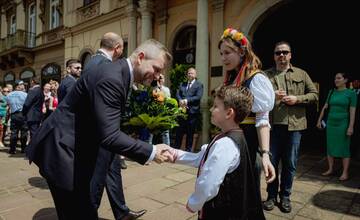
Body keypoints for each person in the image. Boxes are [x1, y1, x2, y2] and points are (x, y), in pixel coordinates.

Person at [26, 39, 173, 220]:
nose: (158, 76)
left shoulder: (119, 73)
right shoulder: (112, 77)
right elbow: (110, 135)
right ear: (141, 58)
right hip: (61, 150)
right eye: (157, 69)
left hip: (75, 150)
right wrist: (151, 150)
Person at [168, 85, 264, 219]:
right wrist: (174, 154)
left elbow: (208, 184)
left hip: (221, 212)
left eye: (215, 106)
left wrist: (194, 203)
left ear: (229, 113)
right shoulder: (231, 136)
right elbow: (202, 158)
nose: (211, 109)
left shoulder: (225, 144)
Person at [85, 33, 145, 220]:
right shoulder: (102, 65)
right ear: (118, 48)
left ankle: (121, 212)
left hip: (106, 131)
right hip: (102, 134)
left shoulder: (94, 62)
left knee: (113, 171)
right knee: (96, 182)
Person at [218, 27, 275, 207]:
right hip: (230, 140)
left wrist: (265, 154)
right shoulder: (231, 78)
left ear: (242, 52)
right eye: (221, 53)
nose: (223, 58)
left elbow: (262, 119)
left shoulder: (255, 79)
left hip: (247, 145)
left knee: (246, 194)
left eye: (227, 52)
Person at [264, 41, 318, 213]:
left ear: (290, 55)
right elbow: (257, 98)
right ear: (274, 56)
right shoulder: (265, 75)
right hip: (271, 127)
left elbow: (314, 94)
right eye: (278, 53)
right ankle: (271, 196)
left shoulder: (301, 74)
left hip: (294, 127)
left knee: (290, 164)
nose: (281, 55)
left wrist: (298, 99)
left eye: (285, 52)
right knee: (271, 163)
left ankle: (285, 196)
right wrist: (272, 97)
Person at [317, 72, 357, 181]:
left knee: (344, 148)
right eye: (335, 78)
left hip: (343, 123)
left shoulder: (351, 93)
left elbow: (352, 111)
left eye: (339, 78)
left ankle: (345, 172)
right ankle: (330, 169)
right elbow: (325, 107)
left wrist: (351, 126)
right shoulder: (331, 92)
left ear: (345, 80)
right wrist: (319, 120)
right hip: (330, 123)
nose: (336, 80)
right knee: (330, 146)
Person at [175, 67, 203, 152]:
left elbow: (198, 97)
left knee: (190, 133)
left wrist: (186, 100)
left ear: (195, 75)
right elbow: (177, 94)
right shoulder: (182, 84)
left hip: (192, 113)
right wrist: (180, 100)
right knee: (179, 132)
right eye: (189, 73)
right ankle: (176, 150)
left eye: (192, 73)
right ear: (187, 75)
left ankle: (188, 152)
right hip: (182, 113)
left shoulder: (199, 85)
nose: (190, 74)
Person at [6, 81, 28, 154]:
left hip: (14, 115)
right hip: (23, 114)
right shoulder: (25, 94)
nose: (23, 86)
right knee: (24, 132)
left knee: (14, 132)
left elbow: (8, 104)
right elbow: (27, 104)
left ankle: (12, 149)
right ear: (18, 86)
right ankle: (23, 149)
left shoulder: (9, 95)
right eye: (21, 85)